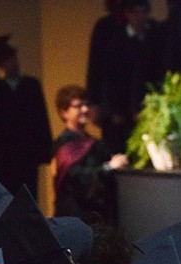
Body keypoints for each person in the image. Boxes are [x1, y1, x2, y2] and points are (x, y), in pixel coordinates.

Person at [86, 0, 165, 154]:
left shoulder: (156, 32)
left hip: (147, 107)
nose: (139, 14)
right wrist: (98, 103)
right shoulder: (109, 31)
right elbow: (97, 68)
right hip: (118, 110)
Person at [0, 35, 52, 199]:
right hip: (2, 157)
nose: (13, 63)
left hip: (26, 155)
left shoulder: (30, 85)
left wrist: (45, 151)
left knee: (27, 200)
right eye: (7, 60)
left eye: (14, 58)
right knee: (2, 202)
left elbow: (41, 118)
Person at [52, 85, 128, 221]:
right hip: (76, 215)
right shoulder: (65, 145)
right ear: (64, 112)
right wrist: (109, 167)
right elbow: (78, 179)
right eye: (78, 106)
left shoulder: (93, 142)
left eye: (86, 105)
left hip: (98, 213)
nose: (85, 109)